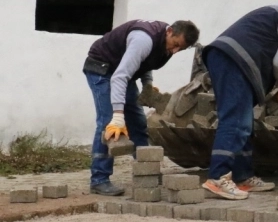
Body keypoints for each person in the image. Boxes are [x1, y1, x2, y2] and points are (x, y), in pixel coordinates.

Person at [201, 0, 278, 200]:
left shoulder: (274, 11)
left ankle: (243, 176)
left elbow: (261, 42)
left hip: (224, 55)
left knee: (245, 122)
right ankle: (218, 177)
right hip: (234, 61)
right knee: (235, 120)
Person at [84, 19, 200, 196]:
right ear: (169, 32)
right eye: (175, 44)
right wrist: (118, 114)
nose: (175, 51)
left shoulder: (166, 44)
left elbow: (146, 62)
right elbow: (119, 77)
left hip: (122, 73)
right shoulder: (143, 39)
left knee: (138, 122)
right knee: (108, 123)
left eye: (181, 49)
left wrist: (148, 85)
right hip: (102, 68)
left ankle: (147, 173)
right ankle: (99, 180)